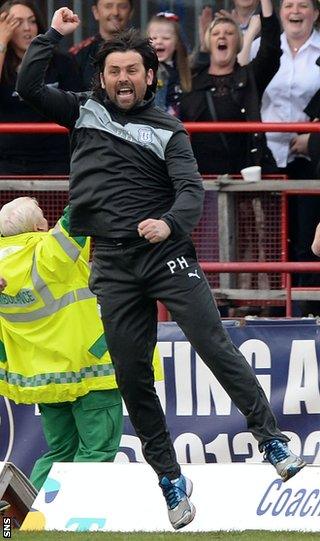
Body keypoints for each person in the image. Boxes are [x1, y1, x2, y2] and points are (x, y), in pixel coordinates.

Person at [16, 8, 306, 530]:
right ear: (101, 77)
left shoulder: (169, 128)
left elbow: (193, 191)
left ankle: (273, 441)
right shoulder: (81, 111)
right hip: (110, 264)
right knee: (132, 378)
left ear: (150, 76)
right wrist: (54, 34)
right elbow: (28, 82)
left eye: (132, 70)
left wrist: (170, 224)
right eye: (113, 71)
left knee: (213, 343)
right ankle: (171, 479)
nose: (122, 79)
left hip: (166, 257)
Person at [0, 197, 163, 491]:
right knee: (97, 452)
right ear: (39, 226)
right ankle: (70, 522)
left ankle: (28, 520)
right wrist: (98, 168)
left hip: (45, 380)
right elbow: (81, 210)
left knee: (59, 453)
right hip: (89, 371)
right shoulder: (48, 249)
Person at [250, 0, 320, 315]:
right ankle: (273, 309)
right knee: (269, 237)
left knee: (306, 235)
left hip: (309, 158)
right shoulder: (261, 48)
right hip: (266, 156)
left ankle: (306, 307)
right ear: (279, 12)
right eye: (288, 4)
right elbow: (243, 87)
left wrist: (314, 138)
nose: (294, 10)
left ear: (316, 13)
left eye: (303, 4)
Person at [180, 0, 279, 176]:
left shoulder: (249, 78)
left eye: (229, 33)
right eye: (216, 33)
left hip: (244, 176)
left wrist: (266, 3)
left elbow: (270, 49)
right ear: (208, 42)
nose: (222, 36)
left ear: (239, 42)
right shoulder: (192, 81)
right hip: (203, 180)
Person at [0, 0, 83, 175]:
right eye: (17, 22)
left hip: (55, 161)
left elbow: (77, 108)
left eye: (32, 21)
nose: (27, 28)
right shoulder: (4, 63)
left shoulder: (63, 62)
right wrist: (1, 42)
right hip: (8, 162)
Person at [69, 0, 133, 90]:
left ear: (131, 12)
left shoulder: (142, 52)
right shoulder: (78, 55)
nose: (115, 12)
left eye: (122, 6)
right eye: (108, 6)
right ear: (96, 12)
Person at [146, 11, 191, 117]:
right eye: (153, 38)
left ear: (177, 43)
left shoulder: (183, 68)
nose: (159, 42)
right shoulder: (147, 70)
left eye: (166, 38)